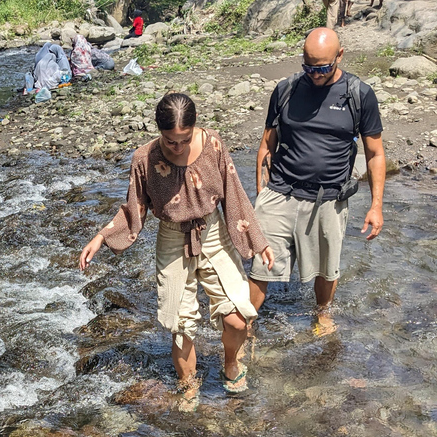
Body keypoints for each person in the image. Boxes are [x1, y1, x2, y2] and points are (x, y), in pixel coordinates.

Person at [79, 93, 275, 409]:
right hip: (172, 240)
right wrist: (101, 237)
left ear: (194, 128)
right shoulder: (144, 159)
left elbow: (234, 194)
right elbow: (134, 208)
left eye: (184, 140)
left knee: (238, 318)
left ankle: (231, 364)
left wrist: (258, 240)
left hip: (212, 233)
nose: (178, 147)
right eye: (171, 141)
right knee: (181, 328)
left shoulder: (213, 144)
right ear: (159, 131)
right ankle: (188, 384)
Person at [248, 28, 385, 335]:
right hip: (280, 192)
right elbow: (266, 144)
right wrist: (261, 194)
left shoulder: (359, 95)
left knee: (327, 266)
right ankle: (246, 323)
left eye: (323, 68)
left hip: (329, 199)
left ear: (340, 55)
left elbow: (375, 154)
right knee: (261, 266)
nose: (315, 74)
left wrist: (376, 207)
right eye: (308, 66)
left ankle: (322, 314)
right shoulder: (286, 90)